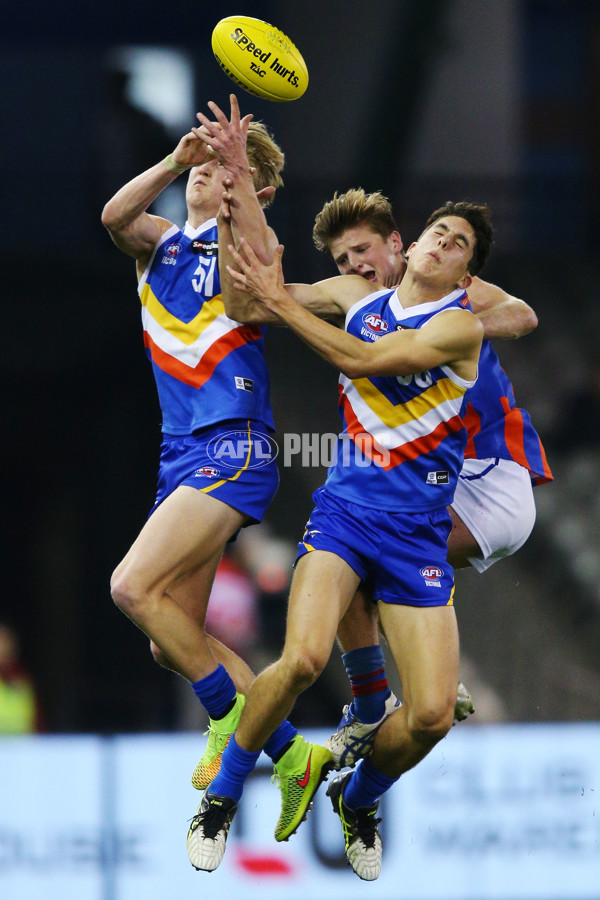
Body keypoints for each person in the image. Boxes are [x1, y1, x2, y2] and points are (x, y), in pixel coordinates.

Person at [186, 200, 492, 877]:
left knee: (434, 716)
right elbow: (246, 303)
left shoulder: (460, 326)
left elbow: (365, 362)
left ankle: (356, 800)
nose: (444, 245)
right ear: (412, 249)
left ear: (461, 268)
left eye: (459, 243)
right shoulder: (352, 293)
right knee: (298, 659)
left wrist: (281, 303)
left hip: (417, 536)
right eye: (439, 233)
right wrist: (238, 194)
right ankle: (222, 795)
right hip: (347, 516)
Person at [101, 96, 324, 805]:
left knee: (130, 587)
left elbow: (253, 276)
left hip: (234, 445)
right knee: (171, 641)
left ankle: (230, 718)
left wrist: (238, 187)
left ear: (252, 188)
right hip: (181, 454)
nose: (207, 173)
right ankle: (292, 755)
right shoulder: (161, 239)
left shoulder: (248, 248)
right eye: (205, 161)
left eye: (228, 168)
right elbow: (112, 219)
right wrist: (176, 159)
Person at [308, 189, 552, 770]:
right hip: (437, 477)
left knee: (361, 560)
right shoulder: (367, 307)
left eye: (363, 251)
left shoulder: (448, 291)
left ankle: (379, 703)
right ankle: (409, 693)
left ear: (400, 244)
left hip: (488, 478)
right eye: (343, 262)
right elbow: (281, 298)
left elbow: (524, 314)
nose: (356, 267)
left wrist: (451, 334)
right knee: (354, 554)